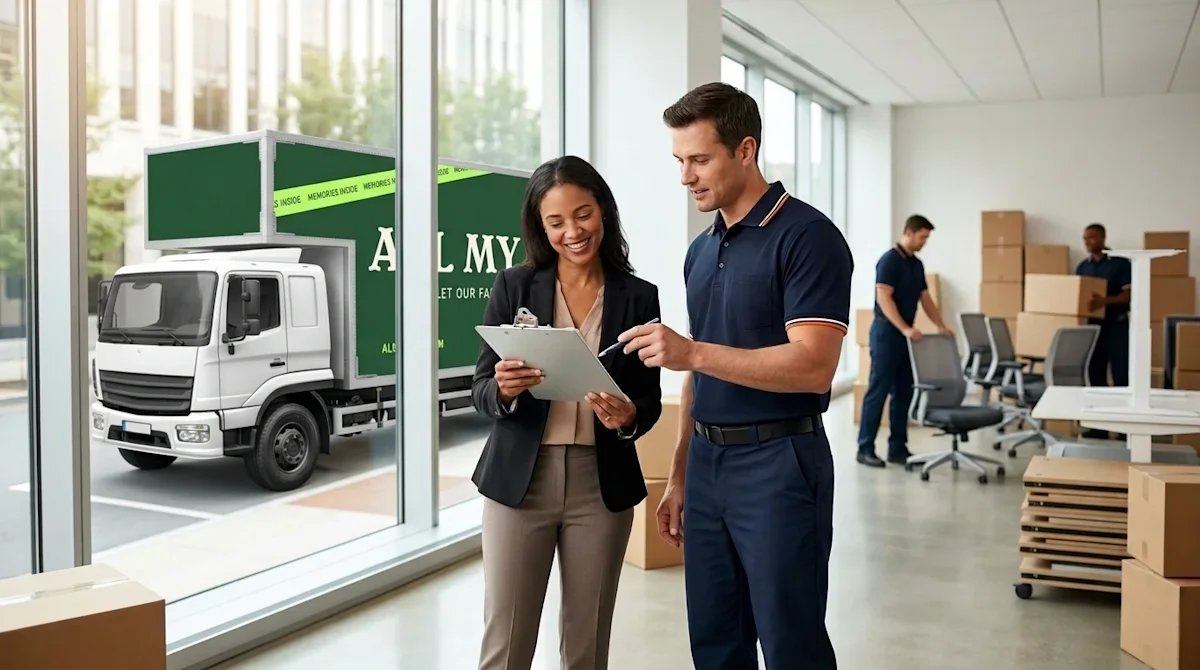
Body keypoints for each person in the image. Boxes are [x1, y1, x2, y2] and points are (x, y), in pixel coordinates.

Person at [619, 82, 850, 669]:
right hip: (708, 464)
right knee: (716, 642)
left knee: (790, 640)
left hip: (780, 465)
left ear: (745, 150)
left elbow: (814, 364)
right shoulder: (701, 250)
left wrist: (693, 353)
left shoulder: (808, 237)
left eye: (699, 160)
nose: (685, 177)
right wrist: (679, 475)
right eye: (680, 161)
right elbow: (700, 372)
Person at [470, 155, 663, 670]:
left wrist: (628, 417)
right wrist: (504, 390)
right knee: (505, 642)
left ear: (603, 212)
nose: (572, 232)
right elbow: (481, 388)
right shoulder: (515, 286)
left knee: (587, 644)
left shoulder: (639, 297)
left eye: (583, 215)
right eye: (555, 222)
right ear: (540, 226)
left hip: (600, 487)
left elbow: (649, 399)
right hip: (519, 482)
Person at [856, 215, 952, 468]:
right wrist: (905, 328)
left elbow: (926, 299)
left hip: (906, 337)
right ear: (908, 232)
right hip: (887, 333)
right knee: (878, 391)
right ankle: (865, 448)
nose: (924, 242)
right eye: (922, 237)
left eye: (927, 238)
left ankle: (897, 447)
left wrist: (941, 326)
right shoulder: (889, 261)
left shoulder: (916, 265)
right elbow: (884, 298)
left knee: (903, 391)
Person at [1076, 222, 1131, 438]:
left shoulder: (1120, 264)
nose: (1087, 242)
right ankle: (1099, 427)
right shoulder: (1082, 267)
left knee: (1120, 377)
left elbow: (1128, 295)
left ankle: (1124, 428)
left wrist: (1104, 301)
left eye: (1091, 237)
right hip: (1093, 329)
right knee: (1095, 375)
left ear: (1102, 237)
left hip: (1116, 326)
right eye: (1085, 238)